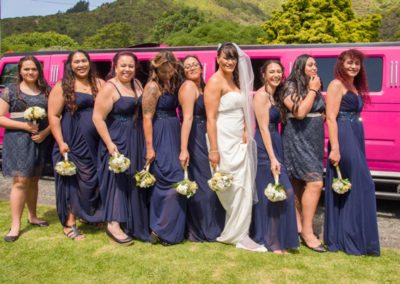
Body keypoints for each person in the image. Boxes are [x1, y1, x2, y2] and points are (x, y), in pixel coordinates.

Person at [204, 42, 267, 252]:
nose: (230, 61)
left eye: (233, 58)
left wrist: (247, 129)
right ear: (218, 59)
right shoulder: (214, 82)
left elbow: (244, 109)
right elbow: (211, 119)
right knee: (232, 186)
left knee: (244, 184)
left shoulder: (236, 80)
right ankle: (238, 234)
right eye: (226, 57)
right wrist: (214, 149)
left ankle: (241, 234)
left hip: (239, 138)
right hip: (223, 139)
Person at [324, 49, 380, 256]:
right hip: (344, 136)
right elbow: (330, 117)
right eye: (350, 62)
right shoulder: (336, 85)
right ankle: (350, 238)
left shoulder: (353, 86)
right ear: (341, 63)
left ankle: (350, 237)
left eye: (357, 63)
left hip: (355, 133)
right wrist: (336, 148)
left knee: (352, 185)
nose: (353, 66)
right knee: (363, 183)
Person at [92, 51, 148, 245]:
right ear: (115, 66)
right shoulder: (110, 87)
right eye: (123, 65)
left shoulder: (138, 84)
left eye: (131, 66)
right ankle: (113, 224)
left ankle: (132, 222)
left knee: (133, 179)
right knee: (116, 183)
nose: (127, 69)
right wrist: (109, 144)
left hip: (136, 136)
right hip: (117, 138)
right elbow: (97, 118)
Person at [48, 50, 103, 241]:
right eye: (76, 61)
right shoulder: (62, 86)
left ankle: (89, 215)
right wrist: (61, 142)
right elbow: (53, 116)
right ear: (70, 65)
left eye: (84, 61)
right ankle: (69, 223)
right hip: (72, 140)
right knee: (75, 182)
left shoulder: (99, 83)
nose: (81, 65)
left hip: (96, 141)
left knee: (94, 178)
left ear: (89, 63)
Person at [0, 56, 52, 242]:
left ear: (39, 71)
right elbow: (0, 117)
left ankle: (33, 216)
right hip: (17, 139)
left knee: (35, 179)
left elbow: (56, 116)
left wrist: (45, 132)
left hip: (40, 139)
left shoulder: (46, 90)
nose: (30, 72)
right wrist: (25, 127)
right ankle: (15, 226)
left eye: (34, 69)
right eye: (26, 69)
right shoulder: (11, 91)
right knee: (20, 181)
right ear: (20, 71)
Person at [250, 60, 299, 253]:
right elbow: (262, 128)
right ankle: (270, 240)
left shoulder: (276, 96)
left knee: (281, 193)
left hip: (275, 143)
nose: (276, 75)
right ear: (263, 74)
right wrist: (272, 157)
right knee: (276, 193)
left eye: (279, 71)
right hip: (265, 146)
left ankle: (278, 238)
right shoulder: (261, 96)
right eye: (272, 72)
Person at [281, 54, 326, 252]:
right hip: (297, 139)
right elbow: (299, 112)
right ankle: (307, 232)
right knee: (315, 182)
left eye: (315, 64)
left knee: (299, 185)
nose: (314, 67)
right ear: (300, 67)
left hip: (313, 139)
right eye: (310, 65)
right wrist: (313, 90)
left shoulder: (314, 85)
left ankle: (298, 226)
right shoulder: (290, 86)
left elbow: (320, 111)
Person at [178, 55, 225, 241]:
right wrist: (184, 148)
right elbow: (187, 118)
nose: (191, 68)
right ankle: (202, 229)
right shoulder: (189, 87)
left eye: (194, 64)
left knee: (211, 179)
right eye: (187, 66)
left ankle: (214, 225)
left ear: (201, 67)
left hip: (208, 134)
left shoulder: (204, 87)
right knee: (204, 181)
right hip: (196, 135)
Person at [142, 51, 186, 245]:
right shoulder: (152, 87)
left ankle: (168, 229)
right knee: (169, 178)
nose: (169, 71)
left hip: (174, 131)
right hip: (160, 132)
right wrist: (150, 148)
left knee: (177, 177)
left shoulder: (172, 83)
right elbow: (146, 118)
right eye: (165, 68)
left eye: (172, 67)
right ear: (157, 68)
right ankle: (159, 228)